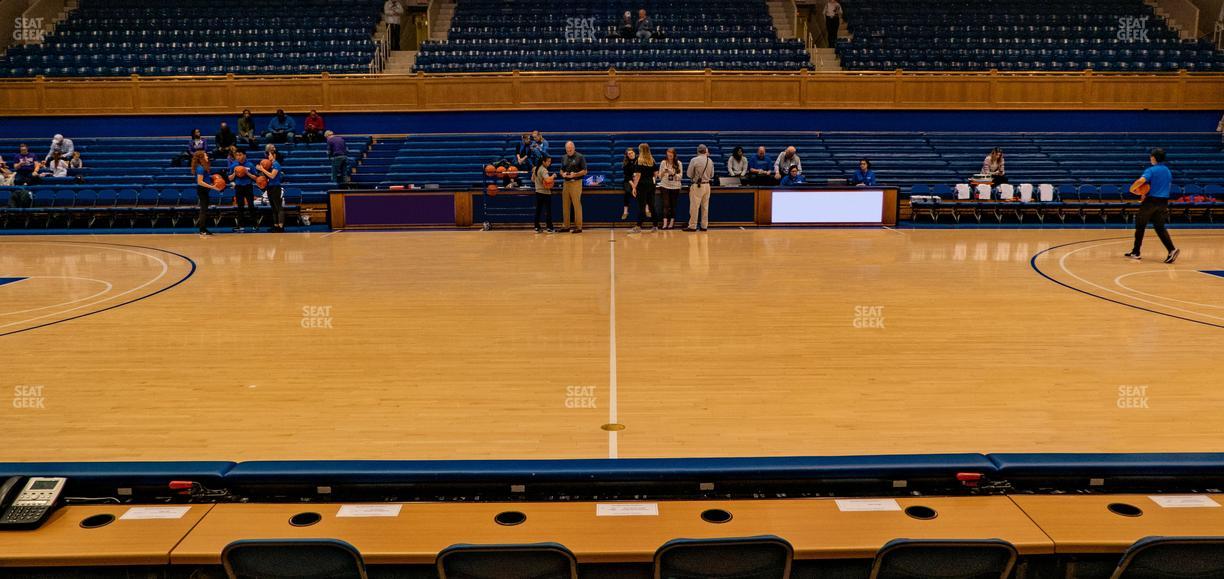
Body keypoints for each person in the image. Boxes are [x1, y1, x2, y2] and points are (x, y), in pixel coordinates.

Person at [1125, 148, 1178, 263]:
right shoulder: (1167, 171)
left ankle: (1136, 252)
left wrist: (1132, 188)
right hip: (1163, 202)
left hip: (1151, 202)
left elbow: (1141, 180)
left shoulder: (1151, 170)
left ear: (1153, 158)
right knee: (1160, 227)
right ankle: (1171, 250)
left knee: (1140, 224)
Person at [630, 143, 659, 233]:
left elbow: (638, 175)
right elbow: (656, 174)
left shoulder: (639, 160)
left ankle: (639, 226)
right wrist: (652, 180)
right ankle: (655, 226)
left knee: (641, 206)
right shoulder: (652, 160)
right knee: (652, 205)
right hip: (651, 184)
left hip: (642, 185)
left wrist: (634, 187)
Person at [560, 141, 587, 234]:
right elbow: (561, 169)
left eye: (570, 148)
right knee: (565, 205)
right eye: (567, 149)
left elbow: (585, 171)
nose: (569, 150)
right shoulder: (563, 157)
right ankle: (566, 226)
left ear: (574, 148)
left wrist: (575, 174)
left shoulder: (580, 157)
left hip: (576, 182)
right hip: (566, 183)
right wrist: (562, 174)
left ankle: (578, 227)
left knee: (576, 205)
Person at [686, 144, 714, 232]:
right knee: (705, 207)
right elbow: (712, 175)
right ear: (706, 151)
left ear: (698, 151)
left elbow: (689, 174)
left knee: (694, 206)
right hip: (707, 185)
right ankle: (704, 225)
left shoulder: (694, 160)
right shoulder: (710, 160)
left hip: (697, 185)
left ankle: (693, 226)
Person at [191, 151, 220, 236]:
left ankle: (203, 228)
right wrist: (212, 187)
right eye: (205, 155)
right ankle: (202, 229)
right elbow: (199, 182)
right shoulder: (200, 168)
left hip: (204, 189)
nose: (207, 156)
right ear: (201, 158)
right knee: (203, 210)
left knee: (205, 209)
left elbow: (205, 180)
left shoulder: (202, 167)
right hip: (202, 189)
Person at [256, 151, 286, 232]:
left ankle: (281, 226)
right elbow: (267, 176)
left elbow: (272, 176)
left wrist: (262, 169)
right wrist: (260, 170)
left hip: (276, 187)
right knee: (273, 208)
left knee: (278, 207)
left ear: (274, 155)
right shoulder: (270, 164)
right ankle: (276, 226)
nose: (268, 156)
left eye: (269, 155)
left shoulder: (276, 164)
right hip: (269, 187)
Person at [228, 150, 256, 232]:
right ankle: (240, 225)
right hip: (239, 187)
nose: (238, 157)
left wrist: (247, 173)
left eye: (240, 155)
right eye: (237, 155)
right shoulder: (234, 165)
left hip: (248, 186)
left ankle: (255, 224)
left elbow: (256, 178)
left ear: (244, 155)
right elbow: (229, 178)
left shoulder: (250, 165)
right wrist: (235, 173)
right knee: (240, 206)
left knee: (251, 205)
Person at [657, 147, 683, 230]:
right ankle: (664, 223)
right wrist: (664, 172)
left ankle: (671, 223)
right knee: (665, 205)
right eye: (668, 155)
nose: (669, 157)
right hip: (665, 185)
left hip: (675, 186)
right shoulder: (663, 162)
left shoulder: (679, 163)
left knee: (673, 205)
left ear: (674, 155)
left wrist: (673, 173)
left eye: (671, 156)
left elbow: (680, 177)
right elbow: (659, 176)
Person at [531, 154, 555, 233]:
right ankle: (549, 228)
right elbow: (548, 180)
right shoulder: (544, 170)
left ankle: (537, 227)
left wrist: (539, 182)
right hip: (545, 193)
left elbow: (532, 180)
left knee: (538, 210)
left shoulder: (535, 169)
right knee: (548, 211)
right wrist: (553, 176)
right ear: (543, 162)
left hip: (538, 191)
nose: (549, 163)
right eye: (548, 161)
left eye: (550, 161)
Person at [620, 147, 637, 220]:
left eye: (632, 153)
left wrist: (636, 183)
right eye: (629, 154)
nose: (631, 154)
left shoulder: (639, 161)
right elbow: (628, 177)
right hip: (628, 181)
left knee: (643, 190)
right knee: (627, 192)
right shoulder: (626, 164)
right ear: (627, 155)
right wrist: (633, 186)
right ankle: (625, 211)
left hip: (638, 179)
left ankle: (647, 208)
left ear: (634, 153)